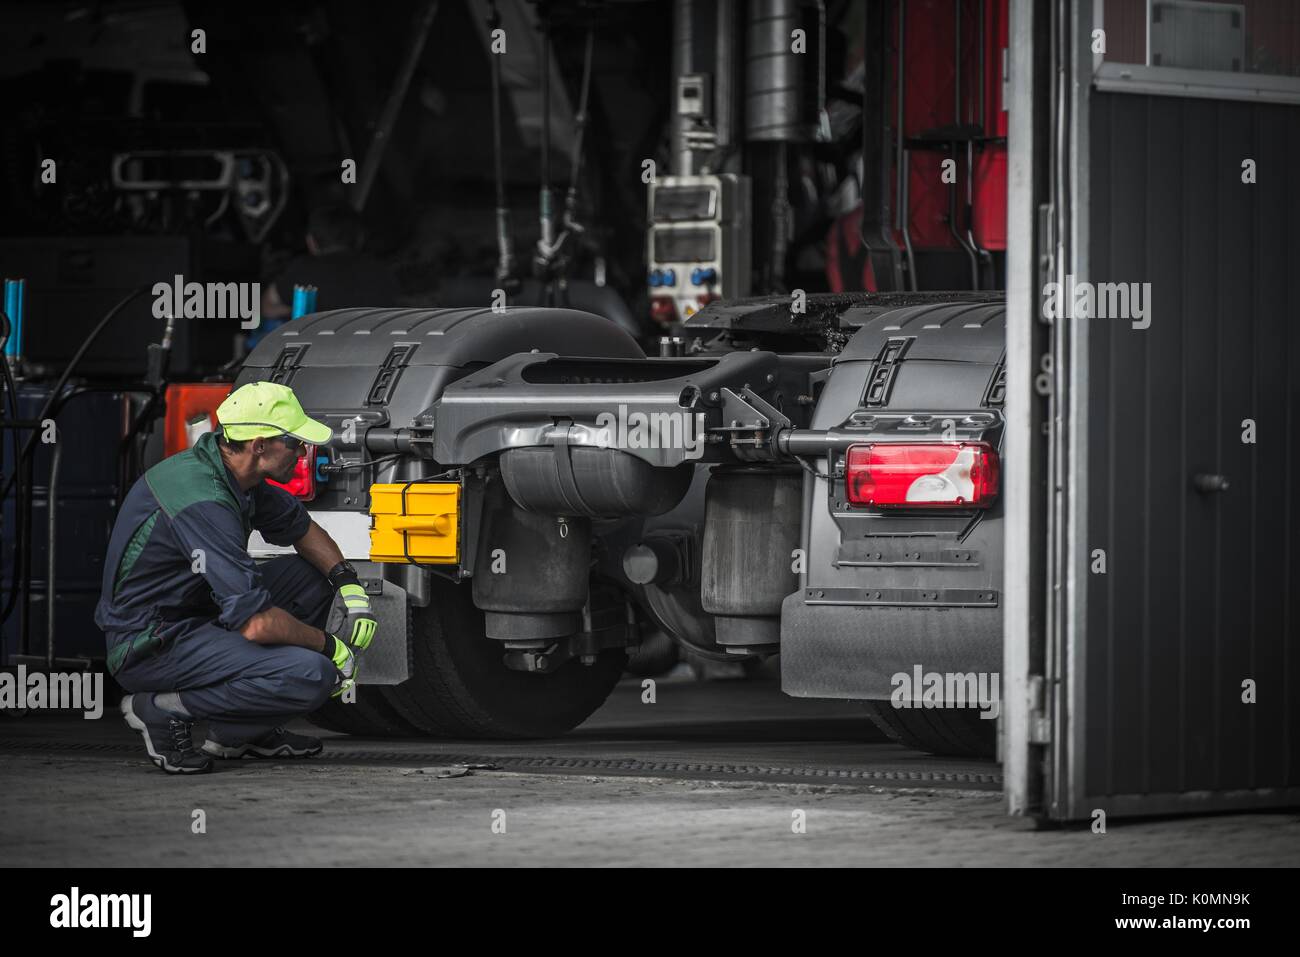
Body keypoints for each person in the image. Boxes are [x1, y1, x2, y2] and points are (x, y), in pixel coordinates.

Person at [94, 381, 379, 774]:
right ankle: (160, 709)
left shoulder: (235, 474)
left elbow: (302, 529)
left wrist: (349, 585)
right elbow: (256, 624)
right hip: (151, 641)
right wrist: (330, 646)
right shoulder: (203, 498)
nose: (301, 452)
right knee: (311, 675)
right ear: (260, 445)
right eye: (293, 442)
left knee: (311, 577)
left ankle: (241, 733)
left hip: (199, 614)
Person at [260, 203, 400, 322]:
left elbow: (267, 307)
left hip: (321, 351)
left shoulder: (305, 269)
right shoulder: (382, 271)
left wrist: (299, 307)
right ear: (360, 238)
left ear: (311, 242)